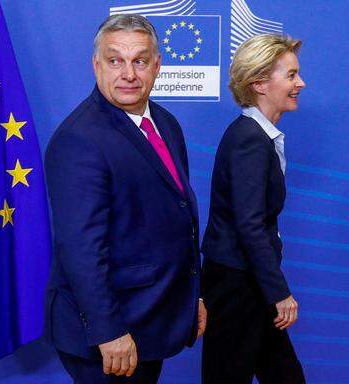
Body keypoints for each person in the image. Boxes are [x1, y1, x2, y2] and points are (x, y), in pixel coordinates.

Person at [44, 14, 206, 384]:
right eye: (115, 60)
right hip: (111, 334)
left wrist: (193, 297)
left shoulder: (165, 122)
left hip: (154, 318)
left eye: (140, 60)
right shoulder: (79, 139)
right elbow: (81, 248)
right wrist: (108, 331)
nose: (129, 74)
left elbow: (179, 218)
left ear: (157, 65)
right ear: (96, 65)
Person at [201, 33, 306, 383]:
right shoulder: (249, 139)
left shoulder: (256, 135)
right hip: (237, 285)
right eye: (291, 75)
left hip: (250, 280)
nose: (300, 83)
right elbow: (249, 225)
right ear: (260, 83)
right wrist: (279, 292)